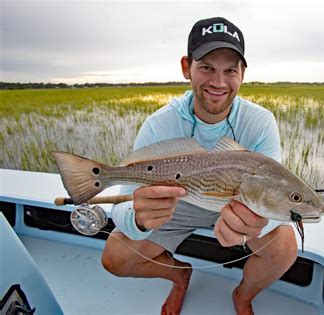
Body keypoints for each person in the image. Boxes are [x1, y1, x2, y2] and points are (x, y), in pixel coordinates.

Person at [101, 17, 297, 315]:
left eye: (230, 70)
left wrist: (260, 222)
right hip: (178, 203)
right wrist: (139, 217)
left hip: (238, 204)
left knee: (284, 247)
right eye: (206, 67)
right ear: (186, 67)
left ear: (243, 73)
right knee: (116, 257)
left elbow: (274, 193)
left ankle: (243, 296)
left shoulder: (260, 122)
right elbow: (126, 197)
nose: (218, 82)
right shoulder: (160, 123)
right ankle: (179, 276)